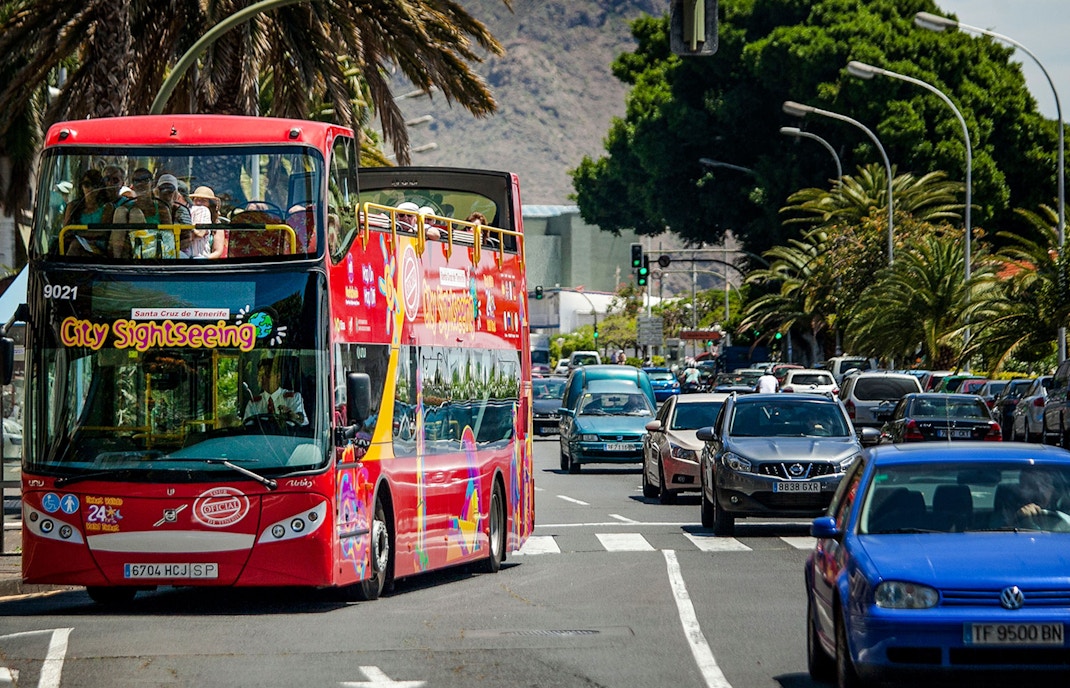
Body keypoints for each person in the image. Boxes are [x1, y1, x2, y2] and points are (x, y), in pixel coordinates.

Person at [108, 167, 173, 257]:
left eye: (145, 180)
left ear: (152, 184)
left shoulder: (161, 208)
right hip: (126, 254)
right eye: (136, 181)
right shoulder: (125, 207)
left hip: (154, 253)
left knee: (136, 214)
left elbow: (168, 238)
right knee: (121, 211)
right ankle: (117, 260)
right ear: (133, 185)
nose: (140, 184)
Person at [244, 357, 308, 426]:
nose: (262, 379)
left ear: (278, 376)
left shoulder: (293, 398)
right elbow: (247, 426)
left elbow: (302, 422)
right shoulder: (254, 403)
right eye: (260, 375)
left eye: (267, 375)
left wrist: (293, 416)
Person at [62, 169, 113, 255]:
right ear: (81, 186)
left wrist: (78, 233)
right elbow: (65, 231)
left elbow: (103, 232)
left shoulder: (107, 207)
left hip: (98, 246)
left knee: (76, 245)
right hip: (76, 243)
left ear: (100, 188)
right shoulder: (73, 206)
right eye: (87, 185)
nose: (90, 189)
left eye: (95, 185)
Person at [1003, 466, 1070, 530]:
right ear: (1020, 489)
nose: (1039, 490)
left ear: (1054, 491)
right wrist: (1019, 521)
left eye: (1045, 484)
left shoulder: (1064, 520)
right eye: (1030, 484)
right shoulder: (1006, 517)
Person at [189, 185, 227, 258]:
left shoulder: (217, 225)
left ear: (210, 204)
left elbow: (218, 252)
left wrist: (203, 259)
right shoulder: (186, 218)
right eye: (196, 200)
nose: (199, 203)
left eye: (203, 200)